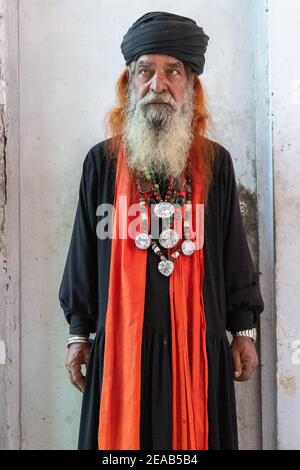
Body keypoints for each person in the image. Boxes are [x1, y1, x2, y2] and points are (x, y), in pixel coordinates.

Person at [58, 11, 264, 450]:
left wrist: (243, 330)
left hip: (198, 350)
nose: (158, 84)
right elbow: (82, 256)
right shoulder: (101, 163)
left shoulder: (215, 163)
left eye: (173, 71)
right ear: (128, 84)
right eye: (145, 71)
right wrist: (79, 334)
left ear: (191, 85)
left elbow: (232, 252)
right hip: (120, 351)